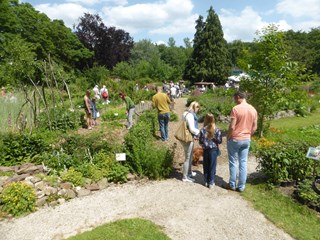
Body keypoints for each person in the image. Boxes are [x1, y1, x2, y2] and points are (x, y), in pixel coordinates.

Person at [227, 91, 258, 192]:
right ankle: (241, 186)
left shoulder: (236, 109)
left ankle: (232, 184)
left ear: (239, 97)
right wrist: (249, 134)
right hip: (246, 139)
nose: (234, 101)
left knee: (233, 162)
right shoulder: (253, 109)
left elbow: (232, 126)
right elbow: (255, 127)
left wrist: (228, 137)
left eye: (235, 99)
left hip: (235, 138)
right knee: (243, 162)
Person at [199, 113, 222, 189]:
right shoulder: (217, 130)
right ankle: (211, 182)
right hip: (213, 150)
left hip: (205, 149)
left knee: (206, 165)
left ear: (205, 119)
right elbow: (219, 141)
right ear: (213, 119)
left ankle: (206, 181)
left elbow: (201, 142)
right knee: (212, 165)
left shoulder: (202, 130)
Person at [180, 101, 200, 183]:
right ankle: (185, 177)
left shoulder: (185, 113)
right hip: (188, 138)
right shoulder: (190, 115)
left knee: (190, 155)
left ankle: (189, 172)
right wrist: (200, 132)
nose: (199, 109)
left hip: (185, 137)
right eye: (198, 107)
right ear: (194, 107)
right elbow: (192, 129)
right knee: (188, 158)